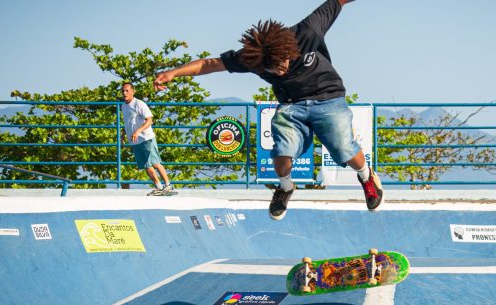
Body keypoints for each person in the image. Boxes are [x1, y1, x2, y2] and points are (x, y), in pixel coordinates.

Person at [154, 0, 382, 219]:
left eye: (282, 64)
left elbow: (338, 1)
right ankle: (285, 188)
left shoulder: (308, 31)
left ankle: (367, 177)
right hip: (291, 105)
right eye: (271, 70)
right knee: (281, 153)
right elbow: (210, 64)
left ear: (288, 50)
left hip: (328, 98)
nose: (279, 72)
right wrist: (173, 73)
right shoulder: (251, 59)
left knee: (343, 149)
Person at [121, 82, 174, 196]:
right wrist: (123, 135)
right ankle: (159, 187)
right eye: (123, 91)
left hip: (146, 138)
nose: (124, 93)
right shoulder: (123, 106)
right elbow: (128, 123)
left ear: (133, 91)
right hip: (135, 141)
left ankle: (168, 185)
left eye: (127, 90)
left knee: (155, 163)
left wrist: (138, 131)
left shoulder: (139, 104)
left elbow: (149, 120)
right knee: (146, 165)